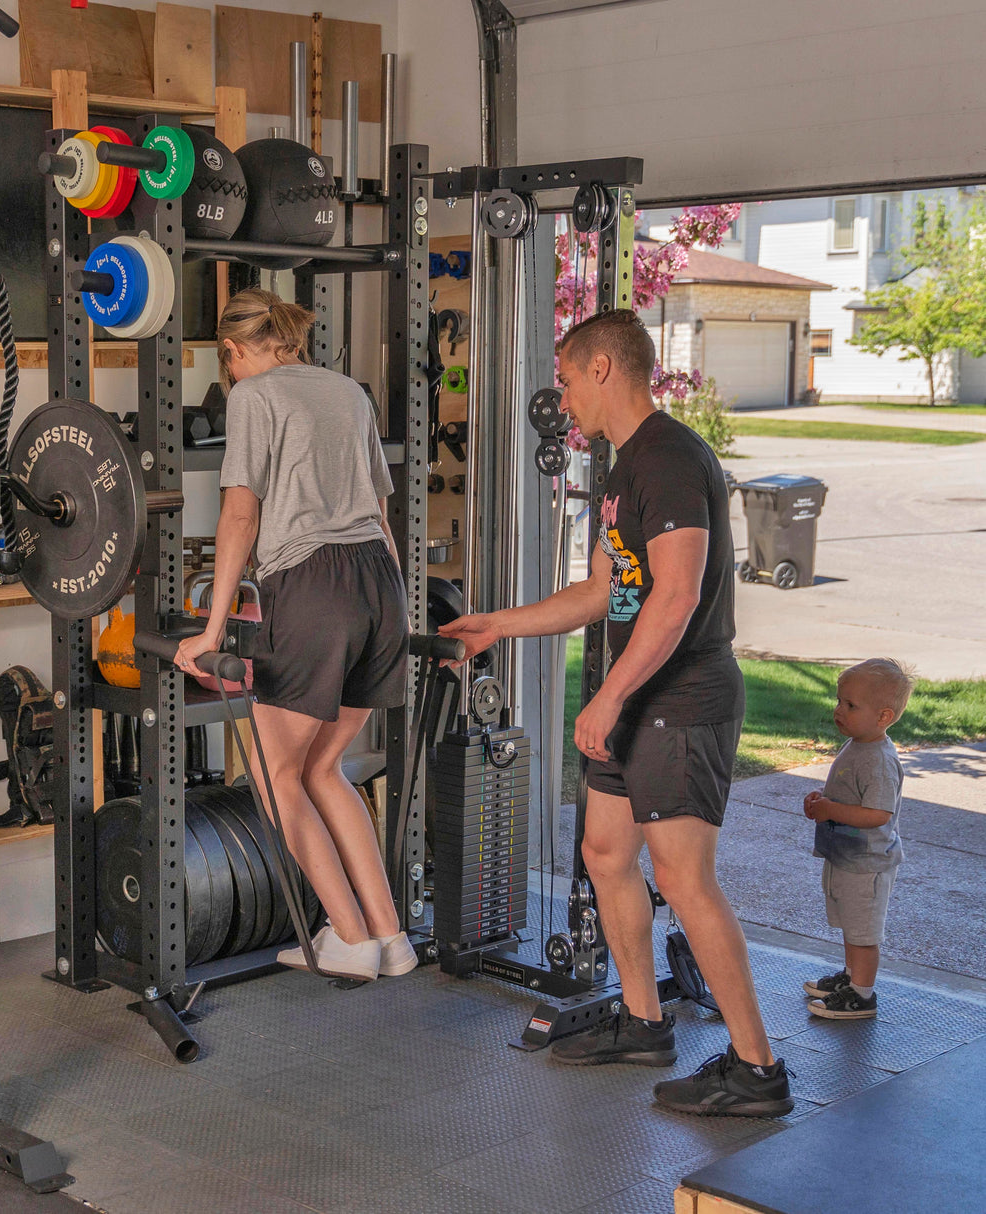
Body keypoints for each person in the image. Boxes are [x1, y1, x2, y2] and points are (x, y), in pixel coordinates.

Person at [439, 309, 793, 1117]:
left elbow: (675, 599)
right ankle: (643, 1021)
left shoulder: (668, 459)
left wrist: (609, 694)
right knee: (604, 853)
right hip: (639, 694)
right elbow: (606, 591)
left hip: (681, 696)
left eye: (565, 378)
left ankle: (756, 1070)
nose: (561, 396)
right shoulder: (621, 470)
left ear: (603, 368)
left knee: (682, 876)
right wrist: (499, 623)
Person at [173, 288, 415, 984]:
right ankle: (390, 937)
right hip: (380, 585)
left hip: (313, 587)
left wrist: (210, 633)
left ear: (233, 352)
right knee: (322, 768)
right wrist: (394, 613)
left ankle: (347, 937)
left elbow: (240, 519)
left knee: (276, 776)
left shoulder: (253, 397)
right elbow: (377, 510)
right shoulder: (348, 393)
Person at [802, 658, 911, 1020]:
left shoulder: (878, 760)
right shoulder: (859, 745)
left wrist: (831, 810)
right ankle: (851, 978)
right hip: (847, 858)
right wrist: (824, 799)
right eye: (839, 701)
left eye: (850, 705)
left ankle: (862, 995)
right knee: (851, 923)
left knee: (863, 932)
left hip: (867, 865)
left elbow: (879, 815)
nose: (839, 711)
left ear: (883, 717)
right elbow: (854, 798)